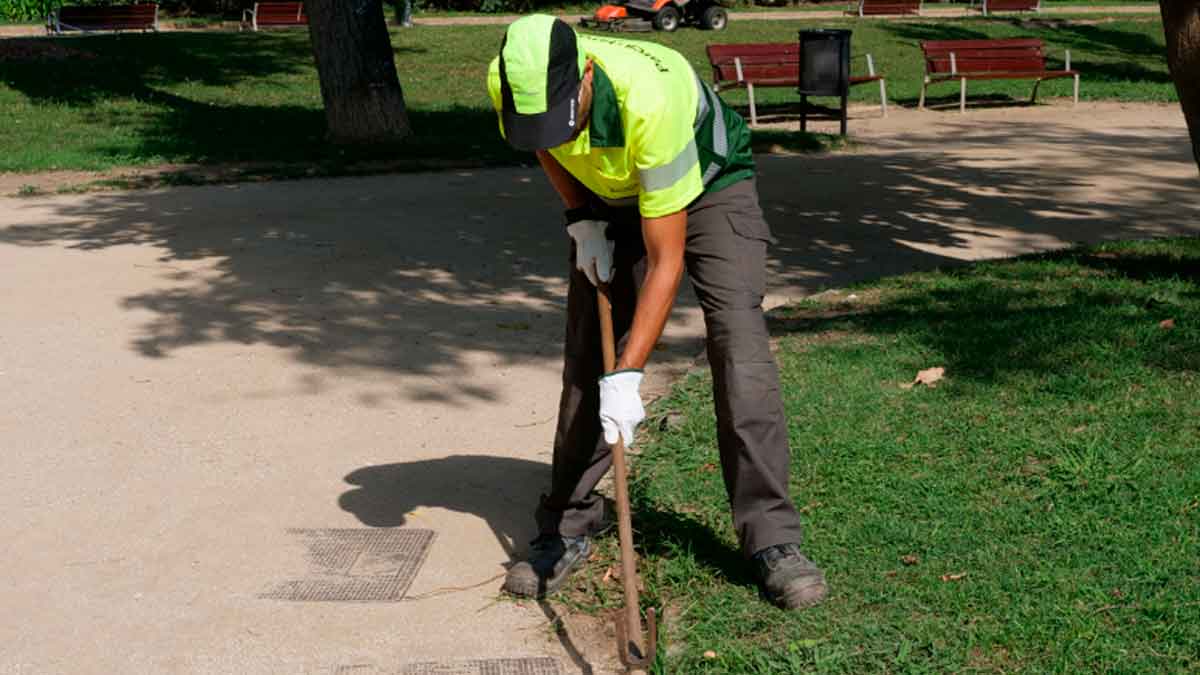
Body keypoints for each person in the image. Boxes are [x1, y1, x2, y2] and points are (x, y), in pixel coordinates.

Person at [486, 15, 827, 610]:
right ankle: (568, 523)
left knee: (738, 346)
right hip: (609, 198)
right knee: (590, 351)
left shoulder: (653, 98)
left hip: (711, 186)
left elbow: (667, 264)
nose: (551, 127)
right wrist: (579, 215)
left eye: (564, 110)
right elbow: (546, 144)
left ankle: (772, 539)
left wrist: (629, 376)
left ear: (585, 74)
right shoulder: (508, 77)